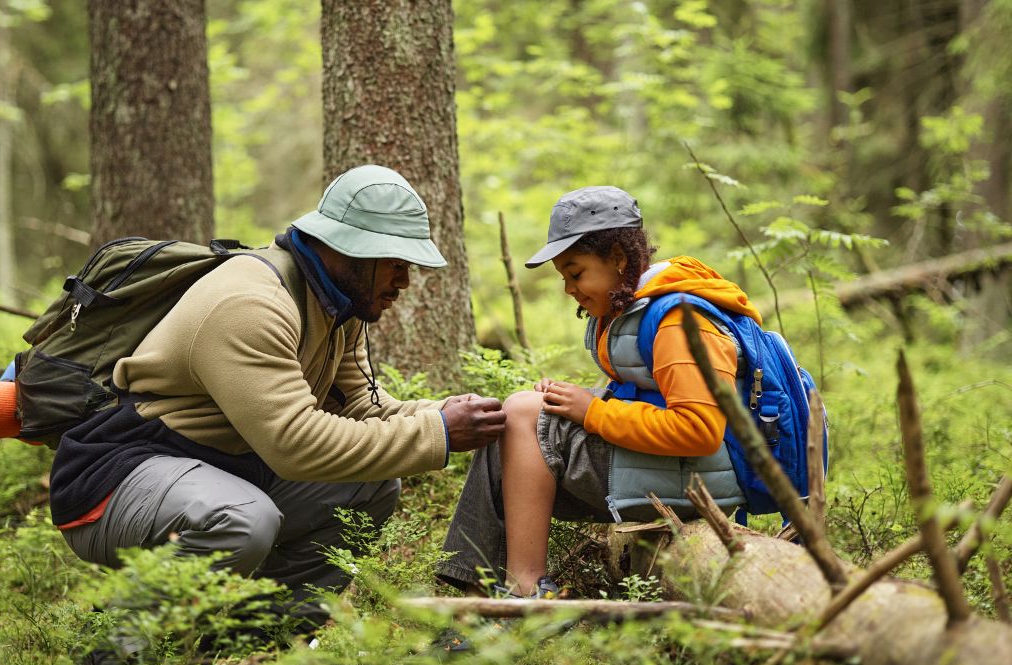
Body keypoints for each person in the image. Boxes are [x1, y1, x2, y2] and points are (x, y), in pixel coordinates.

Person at [49, 164, 506, 621]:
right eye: (395, 263)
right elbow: (295, 444)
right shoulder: (251, 305)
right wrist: (439, 433)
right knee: (244, 519)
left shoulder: (337, 306)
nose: (404, 282)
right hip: (115, 481)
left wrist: (445, 413)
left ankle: (260, 650)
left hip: (222, 470)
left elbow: (365, 407)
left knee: (369, 486)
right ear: (349, 251)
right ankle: (111, 655)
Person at [438, 186, 752, 597]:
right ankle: (483, 600)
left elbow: (699, 429)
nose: (569, 288)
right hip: (664, 474)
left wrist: (591, 412)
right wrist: (575, 402)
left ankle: (525, 591)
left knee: (523, 414)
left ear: (618, 258)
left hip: (695, 486)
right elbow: (647, 399)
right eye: (564, 277)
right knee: (513, 422)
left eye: (576, 272)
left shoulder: (678, 321)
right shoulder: (636, 310)